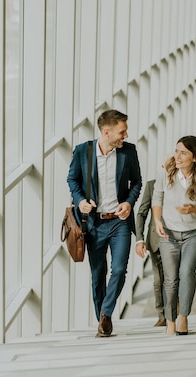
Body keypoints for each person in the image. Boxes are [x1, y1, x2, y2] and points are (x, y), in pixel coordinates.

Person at [67, 109, 142, 337]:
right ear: (107, 132)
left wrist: (128, 203)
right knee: (98, 273)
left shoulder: (128, 152)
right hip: (94, 224)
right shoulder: (83, 151)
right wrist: (80, 202)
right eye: (122, 131)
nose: (126, 135)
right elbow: (73, 179)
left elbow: (136, 182)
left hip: (119, 222)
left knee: (119, 270)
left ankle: (106, 314)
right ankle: (102, 318)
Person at [151, 136, 196, 335]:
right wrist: (158, 221)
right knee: (170, 279)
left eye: (183, 152)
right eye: (176, 150)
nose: (177, 156)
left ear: (195, 158)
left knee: (186, 272)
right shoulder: (166, 174)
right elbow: (157, 198)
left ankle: (183, 317)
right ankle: (170, 321)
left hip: (194, 234)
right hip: (168, 234)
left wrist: (193, 210)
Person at [135, 179, 166, 327]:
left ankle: (176, 312)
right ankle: (162, 315)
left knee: (177, 277)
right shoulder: (152, 186)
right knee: (159, 280)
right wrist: (139, 239)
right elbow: (141, 213)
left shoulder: (183, 183)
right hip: (155, 240)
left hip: (178, 240)